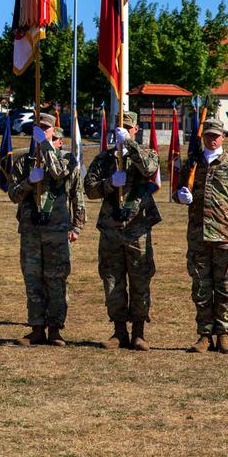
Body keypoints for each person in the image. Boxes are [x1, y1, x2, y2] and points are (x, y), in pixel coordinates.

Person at [175, 118, 228, 355]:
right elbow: (179, 191)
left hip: (224, 235)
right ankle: (204, 335)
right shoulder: (193, 164)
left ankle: (223, 335)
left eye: (216, 136)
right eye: (208, 135)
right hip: (198, 236)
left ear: (223, 138)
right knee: (201, 288)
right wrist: (181, 196)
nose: (212, 139)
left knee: (224, 289)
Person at [84, 112, 162, 351]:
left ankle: (139, 332)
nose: (124, 131)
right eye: (120, 128)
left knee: (140, 280)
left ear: (135, 130)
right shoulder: (104, 159)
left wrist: (128, 144)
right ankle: (119, 332)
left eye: (128, 128)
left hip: (137, 229)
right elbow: (90, 190)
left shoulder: (147, 153)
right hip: (111, 229)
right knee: (112, 280)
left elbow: (149, 169)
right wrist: (110, 184)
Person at [8, 114, 86, 346]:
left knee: (56, 280)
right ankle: (36, 328)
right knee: (33, 280)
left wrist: (77, 226)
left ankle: (55, 329)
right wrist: (29, 182)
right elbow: (13, 195)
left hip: (56, 230)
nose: (42, 131)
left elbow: (66, 181)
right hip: (31, 231)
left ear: (54, 130)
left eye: (46, 128)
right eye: (39, 128)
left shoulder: (67, 159)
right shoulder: (24, 162)